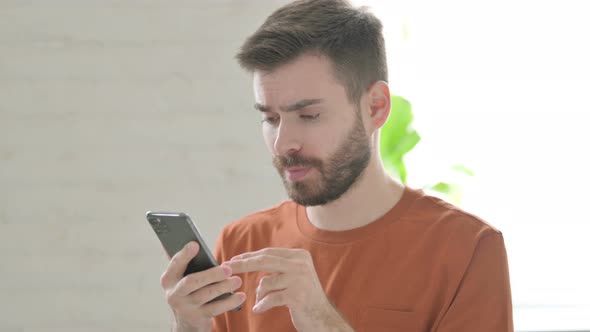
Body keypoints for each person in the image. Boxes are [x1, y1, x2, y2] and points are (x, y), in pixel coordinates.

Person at [159, 0, 514, 331]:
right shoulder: (241, 244)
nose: (283, 143)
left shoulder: (466, 248)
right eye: (270, 118)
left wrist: (323, 321)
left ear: (375, 107)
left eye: (309, 115)